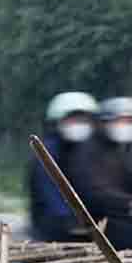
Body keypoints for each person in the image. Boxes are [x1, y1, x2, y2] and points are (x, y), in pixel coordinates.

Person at [68, 96, 132, 252]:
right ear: (106, 121)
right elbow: (94, 194)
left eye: (131, 121)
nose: (128, 125)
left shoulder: (118, 150)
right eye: (124, 120)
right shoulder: (85, 151)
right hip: (97, 218)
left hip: (119, 212)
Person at [28, 92, 98, 242]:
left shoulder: (88, 149)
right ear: (59, 121)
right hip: (54, 223)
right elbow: (49, 191)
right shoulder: (47, 151)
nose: (79, 124)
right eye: (74, 119)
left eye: (83, 119)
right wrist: (69, 218)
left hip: (86, 220)